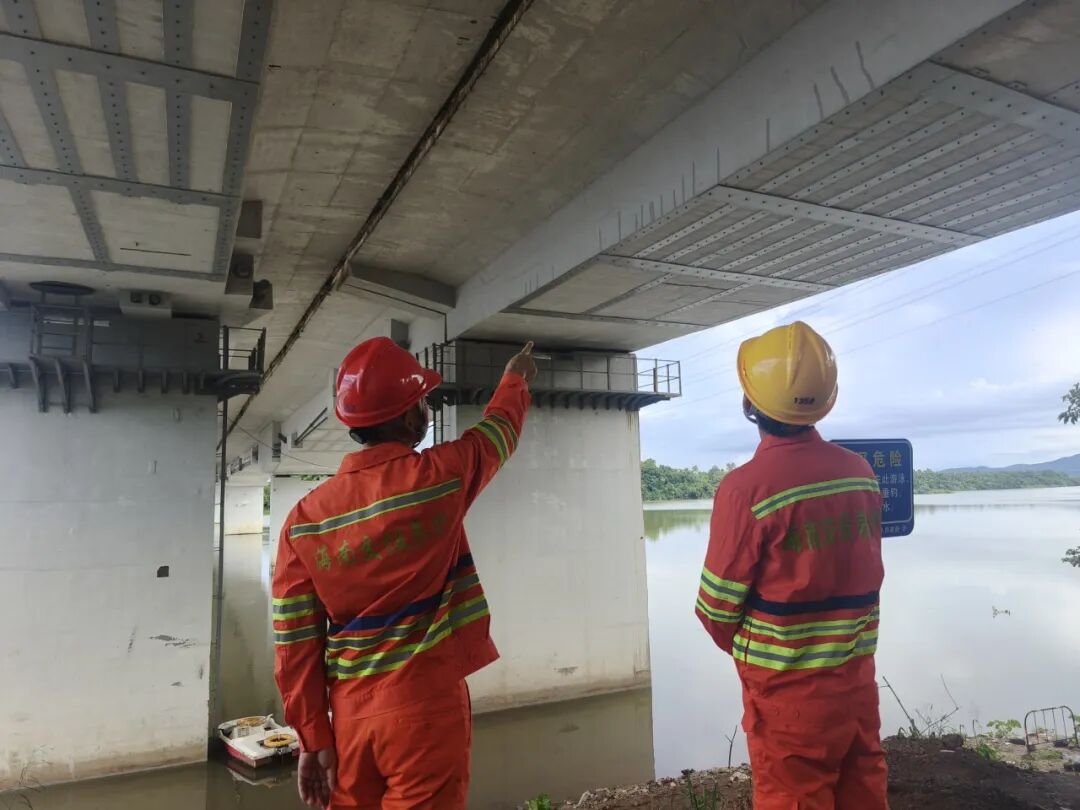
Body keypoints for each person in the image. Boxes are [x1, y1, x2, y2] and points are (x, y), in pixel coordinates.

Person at [272, 337, 537, 809]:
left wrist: (313, 737)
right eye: (422, 401)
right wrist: (515, 378)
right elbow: (499, 432)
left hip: (349, 721)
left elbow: (295, 644)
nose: (427, 410)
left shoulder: (303, 521)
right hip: (426, 708)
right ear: (408, 417)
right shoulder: (442, 476)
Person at [695, 321, 887, 809]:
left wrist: (766, 657)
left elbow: (716, 612)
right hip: (856, 685)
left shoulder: (746, 489)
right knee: (863, 792)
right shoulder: (860, 474)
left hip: (788, 701)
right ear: (825, 401)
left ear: (750, 402)